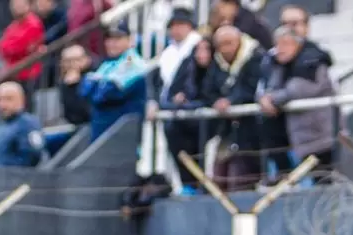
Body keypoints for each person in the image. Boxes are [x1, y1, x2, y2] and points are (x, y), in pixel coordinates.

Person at [257, 25, 336, 182]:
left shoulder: (312, 61)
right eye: (278, 44)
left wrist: (271, 100)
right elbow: (264, 87)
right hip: (290, 134)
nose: (281, 49)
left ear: (297, 44)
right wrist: (264, 99)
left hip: (316, 132)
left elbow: (299, 89)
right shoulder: (274, 64)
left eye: (286, 44)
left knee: (322, 179)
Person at [201, 23, 264, 192]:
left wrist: (232, 102)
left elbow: (253, 87)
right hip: (225, 131)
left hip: (250, 130)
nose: (225, 49)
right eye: (220, 45)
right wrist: (216, 102)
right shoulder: (216, 63)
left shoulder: (255, 57)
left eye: (229, 43)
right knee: (218, 181)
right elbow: (208, 90)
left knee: (241, 181)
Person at [148, 9, 202, 192]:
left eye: (181, 25)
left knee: (196, 151)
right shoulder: (168, 52)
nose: (176, 30)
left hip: (193, 110)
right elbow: (159, 82)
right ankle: (187, 185)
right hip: (171, 110)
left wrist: (187, 93)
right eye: (173, 26)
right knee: (177, 150)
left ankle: (198, 185)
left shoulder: (198, 47)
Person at [78, 22, 148, 143]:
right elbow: (84, 91)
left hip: (122, 140)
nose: (112, 43)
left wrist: (97, 86)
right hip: (103, 134)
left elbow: (107, 93)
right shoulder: (108, 64)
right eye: (109, 39)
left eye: (118, 39)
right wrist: (98, 87)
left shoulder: (131, 61)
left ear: (130, 40)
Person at [0, 82, 45, 168]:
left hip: (12, 179)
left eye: (8, 99)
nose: (2, 105)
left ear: (21, 100)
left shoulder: (27, 124)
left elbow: (31, 157)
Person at [0, 0, 45, 105]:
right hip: (14, 73)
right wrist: (11, 47)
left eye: (20, 4)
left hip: (28, 73)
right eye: (14, 5)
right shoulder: (13, 25)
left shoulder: (34, 23)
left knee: (27, 104)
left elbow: (22, 47)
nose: (16, 7)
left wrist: (11, 47)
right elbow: (1, 47)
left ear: (29, 5)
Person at [59, 45, 93, 127]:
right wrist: (70, 87)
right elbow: (68, 114)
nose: (72, 64)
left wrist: (74, 86)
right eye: (68, 61)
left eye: (77, 60)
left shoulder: (94, 76)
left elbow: (88, 111)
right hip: (77, 126)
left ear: (86, 59)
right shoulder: (66, 80)